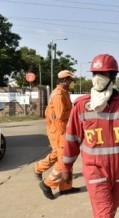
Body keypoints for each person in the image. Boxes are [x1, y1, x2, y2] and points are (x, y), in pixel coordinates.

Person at [61, 54, 119, 218]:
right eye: (95, 73)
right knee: (105, 214)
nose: (97, 77)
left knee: (112, 208)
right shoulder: (81, 106)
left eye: (103, 73)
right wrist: (66, 167)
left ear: (113, 76)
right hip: (95, 168)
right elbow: (72, 139)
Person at [38, 70, 81, 199]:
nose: (71, 83)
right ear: (65, 80)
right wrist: (75, 111)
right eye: (70, 80)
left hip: (63, 131)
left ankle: (65, 187)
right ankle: (47, 184)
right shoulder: (58, 95)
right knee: (63, 160)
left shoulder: (64, 93)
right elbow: (61, 115)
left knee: (67, 157)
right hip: (59, 132)